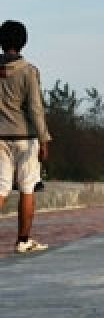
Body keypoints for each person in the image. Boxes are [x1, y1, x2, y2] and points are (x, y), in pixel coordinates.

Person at [0, 21, 52, 252]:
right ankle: (23, 240)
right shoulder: (29, 71)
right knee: (27, 188)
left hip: (0, 137)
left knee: (1, 188)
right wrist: (44, 139)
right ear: (23, 42)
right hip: (24, 136)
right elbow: (35, 109)